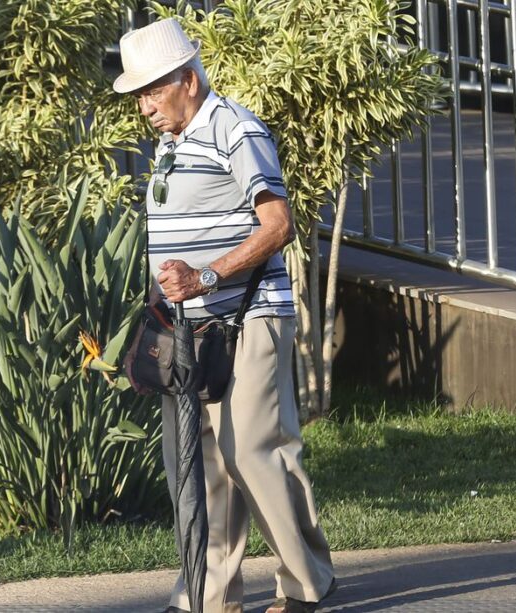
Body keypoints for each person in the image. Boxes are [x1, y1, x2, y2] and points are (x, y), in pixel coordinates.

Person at [113, 19, 335, 613]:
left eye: (153, 91)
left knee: (253, 451)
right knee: (195, 462)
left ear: (188, 80)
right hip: (187, 326)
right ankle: (207, 596)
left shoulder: (237, 129)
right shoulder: (172, 141)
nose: (145, 107)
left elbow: (279, 225)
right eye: (139, 95)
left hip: (250, 314)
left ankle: (307, 583)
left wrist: (206, 276)